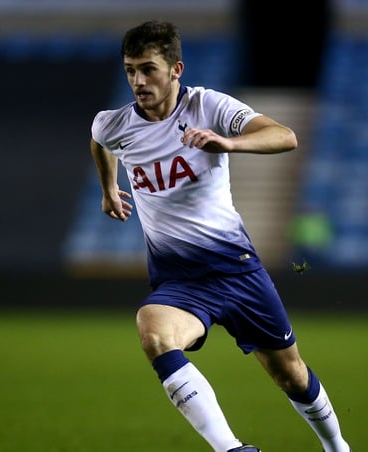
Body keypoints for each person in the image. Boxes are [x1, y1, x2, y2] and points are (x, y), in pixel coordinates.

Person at [89, 20, 351, 452]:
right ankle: (230, 448)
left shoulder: (206, 106)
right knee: (153, 330)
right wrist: (107, 189)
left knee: (290, 373)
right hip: (181, 281)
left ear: (176, 69)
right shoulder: (114, 124)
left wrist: (229, 145)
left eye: (148, 69)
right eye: (130, 70)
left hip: (237, 270)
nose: (138, 81)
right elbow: (99, 142)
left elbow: (284, 136)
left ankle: (337, 447)